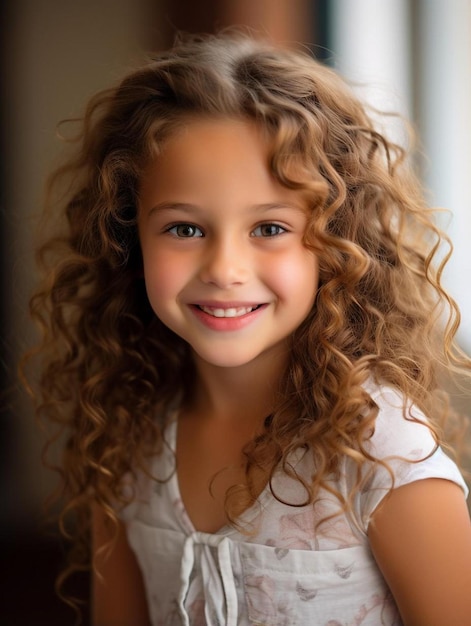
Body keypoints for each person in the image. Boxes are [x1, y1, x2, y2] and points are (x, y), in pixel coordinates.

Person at [27, 32, 471, 625]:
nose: (226, 271)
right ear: (126, 237)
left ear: (337, 245)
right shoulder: (128, 437)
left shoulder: (383, 456)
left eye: (269, 229)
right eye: (184, 229)